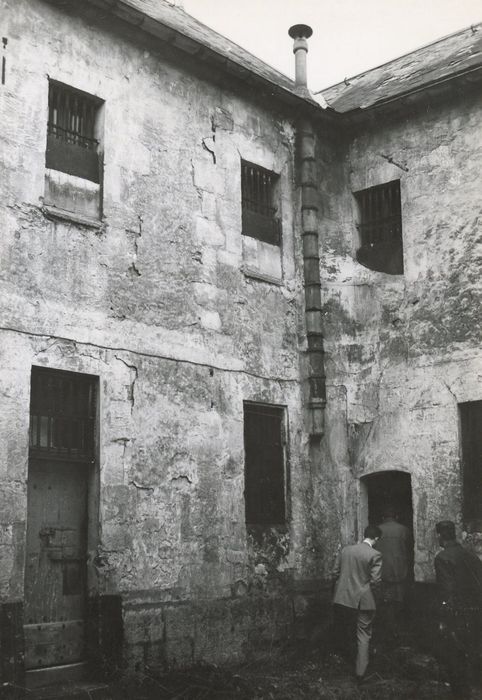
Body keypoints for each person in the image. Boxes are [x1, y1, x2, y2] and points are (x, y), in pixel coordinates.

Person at [434, 520, 482, 699]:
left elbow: (446, 591)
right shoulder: (470, 555)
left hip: (458, 613)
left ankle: (462, 694)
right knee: (474, 649)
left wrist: (443, 619)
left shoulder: (442, 557)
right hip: (476, 610)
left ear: (439, 535)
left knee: (456, 655)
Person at [332, 525, 382, 683]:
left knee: (346, 628)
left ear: (364, 535)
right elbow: (375, 581)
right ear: (376, 539)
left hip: (343, 598)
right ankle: (360, 672)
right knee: (363, 634)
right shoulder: (375, 554)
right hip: (362, 600)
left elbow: (335, 572)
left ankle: (343, 662)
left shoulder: (346, 550)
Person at [375, 506, 411, 639]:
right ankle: (397, 629)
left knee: (385, 602)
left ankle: (386, 631)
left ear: (383, 517)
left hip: (382, 572)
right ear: (396, 516)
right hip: (400, 571)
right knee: (398, 601)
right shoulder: (404, 530)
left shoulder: (377, 530)